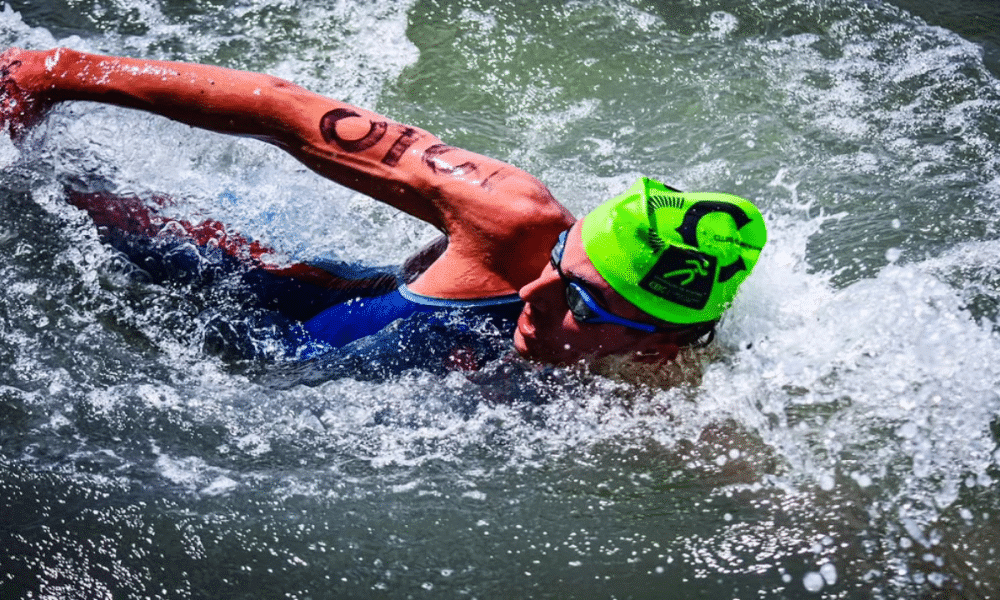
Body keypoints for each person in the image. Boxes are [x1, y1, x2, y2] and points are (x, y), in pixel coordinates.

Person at [0, 47, 766, 373]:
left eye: (589, 305)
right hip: (287, 311)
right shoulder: (511, 220)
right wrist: (51, 73)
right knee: (54, 210)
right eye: (565, 270)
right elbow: (283, 107)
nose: (539, 293)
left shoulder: (662, 383)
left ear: (659, 345)